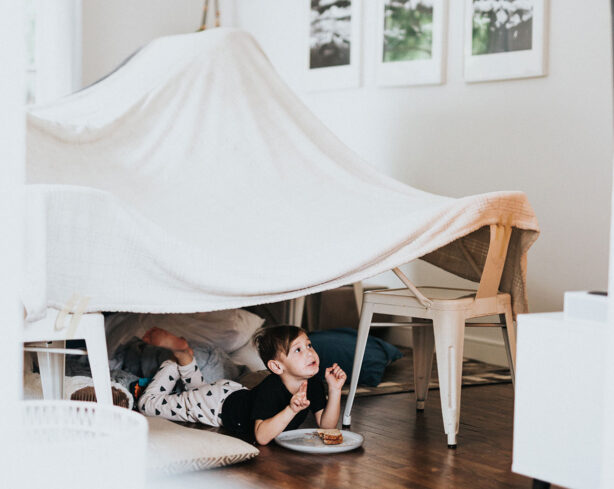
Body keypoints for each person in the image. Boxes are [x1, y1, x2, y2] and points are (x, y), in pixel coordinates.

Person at [138, 325, 347, 445]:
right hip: (216, 405)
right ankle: (173, 363)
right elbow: (262, 437)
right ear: (276, 366)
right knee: (147, 405)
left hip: (233, 393)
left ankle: (185, 357)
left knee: (194, 392)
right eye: (298, 350)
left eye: (309, 345)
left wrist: (335, 390)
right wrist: (291, 409)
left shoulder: (314, 384)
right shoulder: (271, 388)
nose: (310, 352)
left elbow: (327, 427)